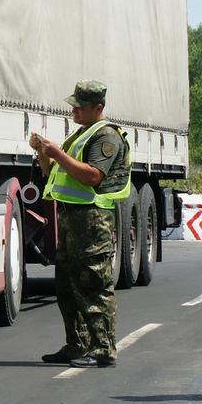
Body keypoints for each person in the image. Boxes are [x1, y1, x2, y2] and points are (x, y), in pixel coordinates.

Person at [30, 81, 132, 368]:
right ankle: (77, 344)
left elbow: (92, 177)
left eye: (80, 106)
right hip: (72, 219)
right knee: (66, 285)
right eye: (73, 105)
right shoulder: (81, 135)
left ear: (98, 108)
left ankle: (103, 349)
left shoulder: (105, 136)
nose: (74, 110)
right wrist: (43, 153)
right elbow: (54, 173)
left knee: (93, 285)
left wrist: (57, 153)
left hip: (93, 221)